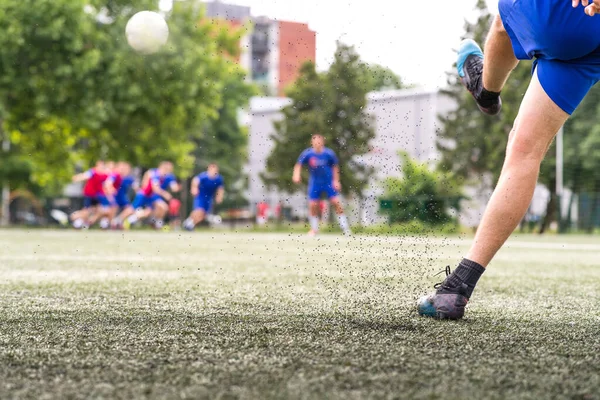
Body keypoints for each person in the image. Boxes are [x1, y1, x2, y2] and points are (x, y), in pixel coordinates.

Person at [418, 0, 600, 319]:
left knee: (503, 21)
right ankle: (457, 287)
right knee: (525, 148)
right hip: (590, 41)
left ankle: (485, 91)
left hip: (570, 19)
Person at [292, 134, 351, 236]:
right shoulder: (308, 154)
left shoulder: (329, 154)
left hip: (328, 182)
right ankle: (314, 229)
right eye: (315, 142)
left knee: (336, 202)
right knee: (313, 205)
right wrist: (296, 175)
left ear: (322, 142)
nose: (317, 144)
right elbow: (298, 165)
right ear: (312, 143)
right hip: (315, 183)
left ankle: (345, 228)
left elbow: (335, 167)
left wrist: (336, 181)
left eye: (319, 142)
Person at [123, 161, 177, 229]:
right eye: (168, 169)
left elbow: (173, 186)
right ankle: (118, 221)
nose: (169, 171)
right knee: (132, 209)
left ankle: (155, 223)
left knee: (157, 209)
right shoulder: (154, 174)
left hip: (152, 196)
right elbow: (155, 188)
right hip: (144, 194)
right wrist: (165, 194)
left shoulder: (168, 176)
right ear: (163, 167)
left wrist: (175, 187)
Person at [183, 163, 224, 231]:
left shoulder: (219, 178)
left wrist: (219, 197)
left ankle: (189, 224)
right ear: (209, 169)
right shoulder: (204, 176)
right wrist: (194, 189)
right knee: (199, 211)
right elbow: (195, 180)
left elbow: (220, 189)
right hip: (200, 196)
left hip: (209, 198)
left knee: (203, 215)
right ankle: (188, 223)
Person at [69, 160, 110, 229]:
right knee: (86, 211)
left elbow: (107, 183)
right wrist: (77, 178)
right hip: (90, 195)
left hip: (98, 196)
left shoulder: (105, 175)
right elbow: (85, 176)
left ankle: (86, 223)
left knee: (103, 210)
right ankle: (75, 220)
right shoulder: (93, 172)